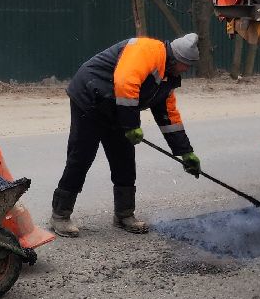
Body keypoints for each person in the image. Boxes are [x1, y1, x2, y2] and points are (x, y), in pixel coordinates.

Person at [50, 33, 201, 237]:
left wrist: (185, 152)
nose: (187, 70)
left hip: (117, 106)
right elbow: (126, 81)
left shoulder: (168, 77)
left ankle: (124, 214)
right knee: (81, 157)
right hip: (89, 97)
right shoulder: (148, 51)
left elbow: (168, 116)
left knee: (124, 158)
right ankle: (60, 215)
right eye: (186, 65)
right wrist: (131, 125)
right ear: (177, 59)